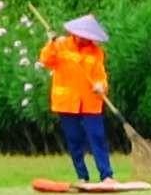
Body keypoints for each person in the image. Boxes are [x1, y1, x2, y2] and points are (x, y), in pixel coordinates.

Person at [42, 13, 116, 183]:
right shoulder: (60, 45)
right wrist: (50, 43)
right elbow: (46, 60)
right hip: (67, 102)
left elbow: (101, 76)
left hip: (90, 102)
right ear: (75, 32)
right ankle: (82, 176)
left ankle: (107, 176)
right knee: (74, 140)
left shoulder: (96, 52)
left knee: (97, 137)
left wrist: (101, 86)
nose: (85, 39)